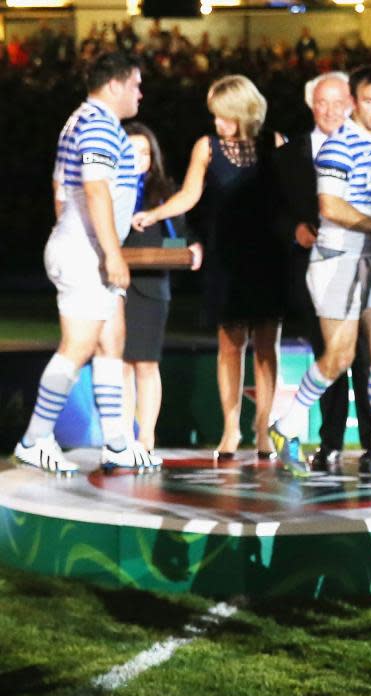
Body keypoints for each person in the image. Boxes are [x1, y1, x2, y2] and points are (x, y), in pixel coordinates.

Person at [15, 50, 158, 475]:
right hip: (87, 251)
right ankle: (35, 438)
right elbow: (94, 191)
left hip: (83, 247)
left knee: (112, 341)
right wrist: (108, 254)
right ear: (113, 84)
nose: (140, 92)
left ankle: (116, 443)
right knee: (77, 347)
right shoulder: (96, 124)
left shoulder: (85, 121)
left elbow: (61, 189)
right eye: (134, 84)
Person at [132, 74, 287, 460]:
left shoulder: (275, 142)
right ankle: (231, 430)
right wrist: (154, 215)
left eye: (224, 115)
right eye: (214, 115)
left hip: (268, 256)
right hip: (226, 257)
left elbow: (289, 197)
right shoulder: (207, 146)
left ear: (243, 111)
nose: (217, 122)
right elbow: (188, 195)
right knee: (230, 346)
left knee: (267, 346)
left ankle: (263, 427)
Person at [270, 65, 371, 479]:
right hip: (337, 260)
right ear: (354, 103)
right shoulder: (337, 147)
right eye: (370, 101)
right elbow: (330, 207)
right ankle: (287, 424)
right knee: (339, 356)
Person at [122, 121, 202, 459]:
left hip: (153, 287)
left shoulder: (165, 194)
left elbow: (177, 236)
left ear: (153, 157)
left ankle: (147, 437)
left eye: (144, 152)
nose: (139, 158)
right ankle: (123, 437)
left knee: (146, 364)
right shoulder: (110, 189)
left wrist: (191, 247)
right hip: (118, 284)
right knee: (122, 365)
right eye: (131, 151)